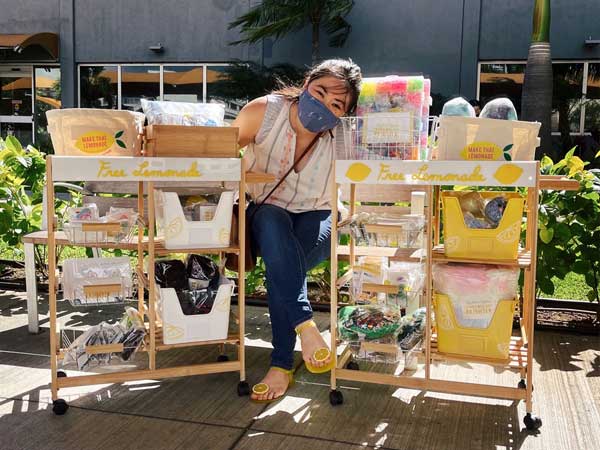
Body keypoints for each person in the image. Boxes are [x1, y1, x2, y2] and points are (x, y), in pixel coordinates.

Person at [232, 59, 362, 403]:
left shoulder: (342, 136)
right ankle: (305, 327)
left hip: (317, 216)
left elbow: (363, 174)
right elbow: (220, 151)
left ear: (344, 113)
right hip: (265, 214)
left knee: (282, 265)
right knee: (275, 227)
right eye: (318, 92)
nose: (322, 105)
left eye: (335, 104)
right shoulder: (265, 112)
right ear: (305, 84)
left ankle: (283, 362)